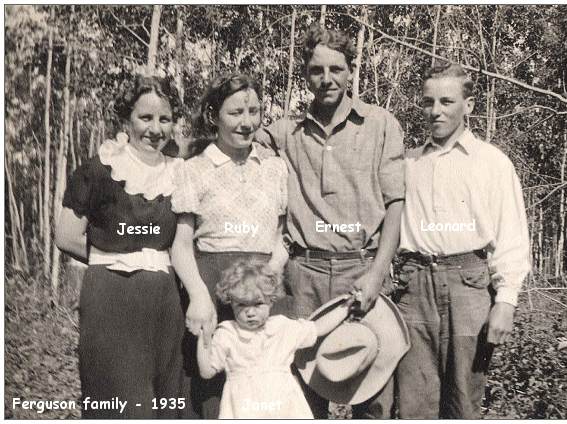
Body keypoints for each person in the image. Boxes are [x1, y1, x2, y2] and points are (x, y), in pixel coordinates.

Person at [255, 24, 405, 418]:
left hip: (363, 269)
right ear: (305, 74)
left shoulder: (380, 124)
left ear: (351, 71)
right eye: (317, 71)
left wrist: (376, 275)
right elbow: (231, 141)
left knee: (373, 395)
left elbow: (395, 207)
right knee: (304, 396)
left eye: (336, 69)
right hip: (303, 274)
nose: (327, 80)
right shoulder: (285, 133)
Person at [55, 74, 206, 418]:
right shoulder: (99, 170)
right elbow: (66, 237)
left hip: (166, 303)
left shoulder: (180, 172)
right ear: (126, 118)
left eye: (164, 119)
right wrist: (117, 257)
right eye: (145, 118)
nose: (155, 128)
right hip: (111, 301)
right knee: (122, 404)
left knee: (166, 402)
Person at [394, 62, 530, 418]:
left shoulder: (492, 163)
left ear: (468, 106)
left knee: (463, 402)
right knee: (413, 403)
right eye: (428, 102)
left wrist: (506, 301)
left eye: (446, 101)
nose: (435, 110)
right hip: (414, 286)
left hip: (469, 286)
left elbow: (511, 235)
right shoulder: (407, 162)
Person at [170, 73, 289, 418]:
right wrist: (198, 296)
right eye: (236, 112)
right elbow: (181, 245)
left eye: (254, 111)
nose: (247, 122)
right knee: (210, 392)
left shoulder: (275, 168)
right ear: (213, 115)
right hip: (211, 291)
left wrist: (264, 281)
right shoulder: (193, 169)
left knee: (260, 390)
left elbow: (282, 239)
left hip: (261, 293)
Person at [196, 259, 353, 418]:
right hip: (244, 408)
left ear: (271, 301)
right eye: (242, 305)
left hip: (283, 406)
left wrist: (346, 308)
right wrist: (204, 335)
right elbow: (207, 371)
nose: (250, 312)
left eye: (258, 304)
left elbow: (317, 328)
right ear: (231, 303)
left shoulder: (282, 328)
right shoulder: (228, 333)